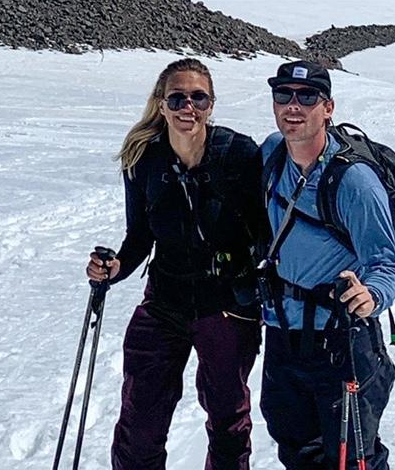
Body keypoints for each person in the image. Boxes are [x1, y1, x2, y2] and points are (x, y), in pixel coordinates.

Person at [85, 57, 267, 470]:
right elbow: (139, 236)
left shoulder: (238, 154)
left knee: (227, 419)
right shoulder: (144, 160)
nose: (189, 106)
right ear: (162, 104)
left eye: (198, 97)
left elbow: (265, 229)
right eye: (178, 97)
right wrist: (115, 269)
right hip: (164, 300)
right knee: (140, 419)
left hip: (226, 305)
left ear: (211, 103)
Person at [258, 61, 395, 470]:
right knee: (296, 450)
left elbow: (388, 264)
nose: (293, 105)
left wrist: (369, 294)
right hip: (284, 334)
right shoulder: (271, 153)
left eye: (307, 97)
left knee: (355, 459)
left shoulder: (354, 182)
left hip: (342, 340)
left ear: (328, 108)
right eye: (283, 95)